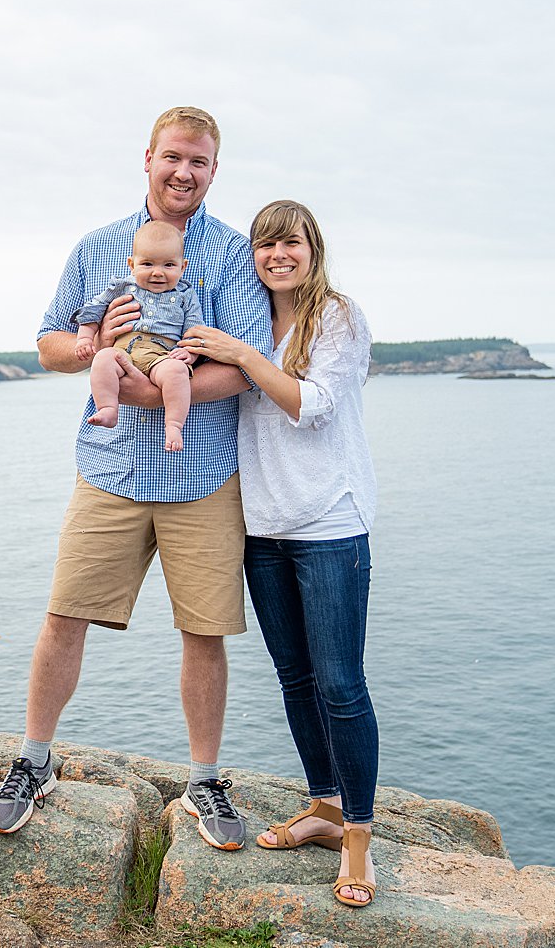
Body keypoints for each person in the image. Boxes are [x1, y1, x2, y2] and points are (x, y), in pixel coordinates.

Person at [0, 107, 273, 850]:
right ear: (147, 158)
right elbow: (48, 341)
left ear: (214, 170)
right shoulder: (98, 246)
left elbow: (242, 364)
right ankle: (34, 759)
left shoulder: (235, 255)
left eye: (200, 162)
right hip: (110, 469)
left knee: (204, 632)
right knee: (64, 616)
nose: (185, 172)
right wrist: (94, 349)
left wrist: (152, 391)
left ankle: (204, 780)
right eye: (174, 156)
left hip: (200, 470)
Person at [181, 199, 380, 906]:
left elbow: (313, 404)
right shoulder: (246, 318)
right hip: (262, 525)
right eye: (265, 245)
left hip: (330, 523)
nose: (277, 255)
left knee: (340, 685)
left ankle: (358, 840)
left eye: (289, 242)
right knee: (295, 677)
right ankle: (323, 808)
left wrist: (242, 355)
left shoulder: (338, 317)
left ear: (311, 247)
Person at [73, 219, 203, 451]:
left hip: (161, 355)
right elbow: (93, 309)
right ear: (131, 265)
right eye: (147, 264)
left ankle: (174, 424)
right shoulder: (122, 287)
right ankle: (108, 408)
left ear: (183, 267)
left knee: (177, 372)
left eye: (168, 265)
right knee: (102, 359)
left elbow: (194, 329)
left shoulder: (185, 295)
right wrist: (85, 338)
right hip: (123, 351)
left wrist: (189, 354)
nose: (157, 273)